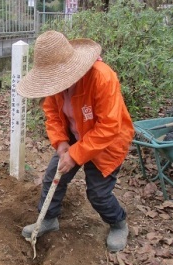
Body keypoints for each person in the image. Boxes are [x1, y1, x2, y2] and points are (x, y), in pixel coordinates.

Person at [16, 30, 134, 252]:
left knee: (98, 193)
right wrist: (61, 143)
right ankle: (49, 219)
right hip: (74, 134)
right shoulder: (53, 85)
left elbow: (109, 126)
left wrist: (76, 154)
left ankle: (118, 223)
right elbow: (52, 114)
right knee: (54, 176)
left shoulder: (101, 77)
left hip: (106, 142)